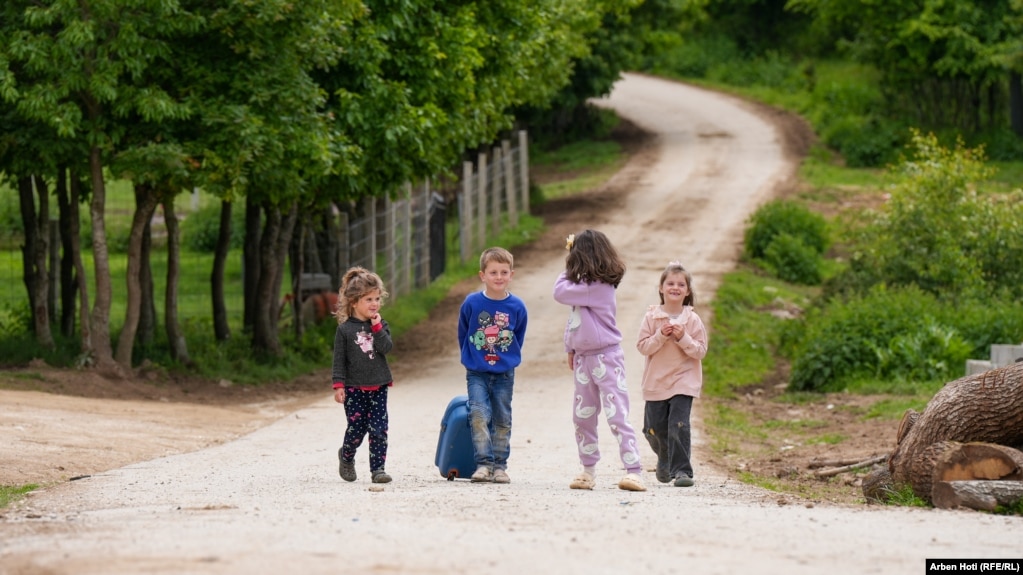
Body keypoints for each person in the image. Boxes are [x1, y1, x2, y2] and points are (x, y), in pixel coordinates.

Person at [553, 230, 646, 492]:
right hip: (584, 359)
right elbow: (575, 319)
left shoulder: (597, 288)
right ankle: (588, 470)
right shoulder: (583, 289)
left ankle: (634, 470)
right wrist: (570, 347)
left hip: (606, 358)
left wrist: (567, 269)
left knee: (617, 414)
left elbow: (558, 292)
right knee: (582, 416)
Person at [458, 247, 529, 484]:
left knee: (502, 418)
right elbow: (463, 332)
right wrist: (471, 357)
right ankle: (483, 464)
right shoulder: (472, 303)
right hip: (476, 371)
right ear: (483, 275)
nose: (499, 277)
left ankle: (499, 466)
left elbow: (518, 337)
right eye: (493, 272)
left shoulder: (517, 306)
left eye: (504, 272)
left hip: (504, 374)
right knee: (478, 415)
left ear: (511, 275)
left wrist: (507, 358)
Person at [636, 261, 708, 487]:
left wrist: (682, 337)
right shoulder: (652, 317)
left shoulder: (692, 319)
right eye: (670, 283)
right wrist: (660, 335)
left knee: (678, 425)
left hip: (684, 381)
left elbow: (700, 351)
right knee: (653, 430)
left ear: (687, 291)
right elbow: (643, 347)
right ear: (661, 288)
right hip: (656, 382)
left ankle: (682, 471)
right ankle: (664, 457)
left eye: (681, 284)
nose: (675, 287)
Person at [332, 267, 395, 484]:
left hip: (379, 386)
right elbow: (339, 360)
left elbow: (386, 348)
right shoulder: (344, 330)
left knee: (379, 429)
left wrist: (377, 328)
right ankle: (346, 455)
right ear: (354, 302)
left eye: (377, 299)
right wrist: (338, 385)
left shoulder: (380, 325)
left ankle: (378, 470)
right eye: (369, 299)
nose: (374, 304)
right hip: (354, 388)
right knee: (356, 430)